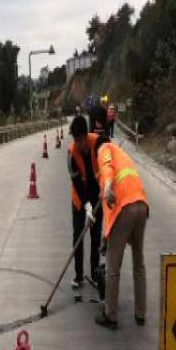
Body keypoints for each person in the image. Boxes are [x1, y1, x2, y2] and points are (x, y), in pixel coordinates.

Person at [91, 106, 149, 330]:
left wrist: (106, 186)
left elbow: (106, 170)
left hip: (124, 206)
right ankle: (140, 313)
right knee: (138, 262)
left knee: (113, 267)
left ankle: (110, 314)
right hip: (141, 204)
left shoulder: (103, 149)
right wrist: (106, 238)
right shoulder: (121, 153)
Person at [68, 115, 105, 296]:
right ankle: (79, 275)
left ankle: (95, 274)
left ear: (86, 135)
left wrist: (99, 197)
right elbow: (77, 183)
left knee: (95, 235)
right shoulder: (71, 154)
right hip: (80, 197)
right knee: (78, 235)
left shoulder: (98, 143)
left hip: (98, 196)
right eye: (75, 140)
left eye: (81, 140)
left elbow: (108, 163)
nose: (78, 144)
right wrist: (86, 206)